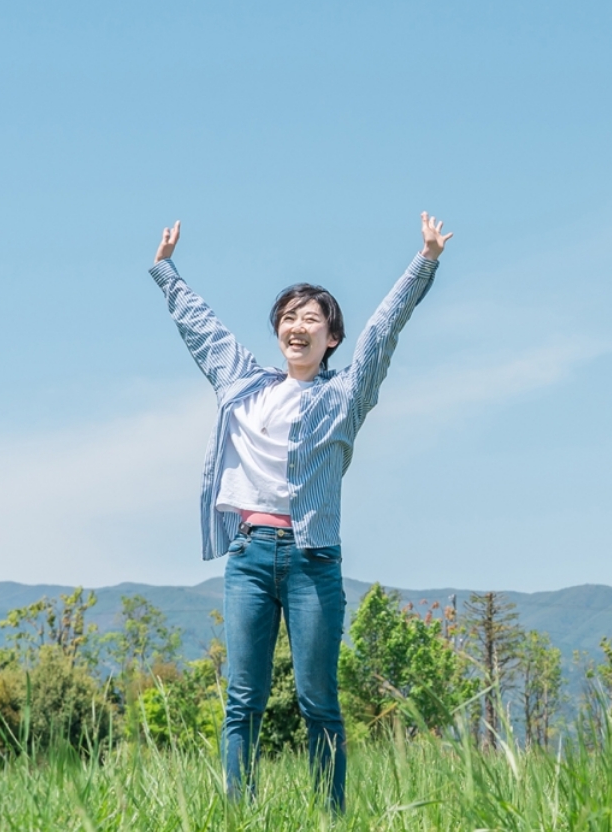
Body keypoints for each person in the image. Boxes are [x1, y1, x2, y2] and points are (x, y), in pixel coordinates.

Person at [146, 213, 452, 812]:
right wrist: (165, 272)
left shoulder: (345, 395)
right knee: (243, 698)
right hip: (249, 558)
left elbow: (383, 332)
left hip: (313, 560)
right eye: (288, 318)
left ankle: (329, 818)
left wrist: (425, 261)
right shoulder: (245, 384)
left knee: (318, 701)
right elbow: (204, 331)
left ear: (330, 339)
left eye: (311, 319)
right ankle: (239, 814)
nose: (297, 326)